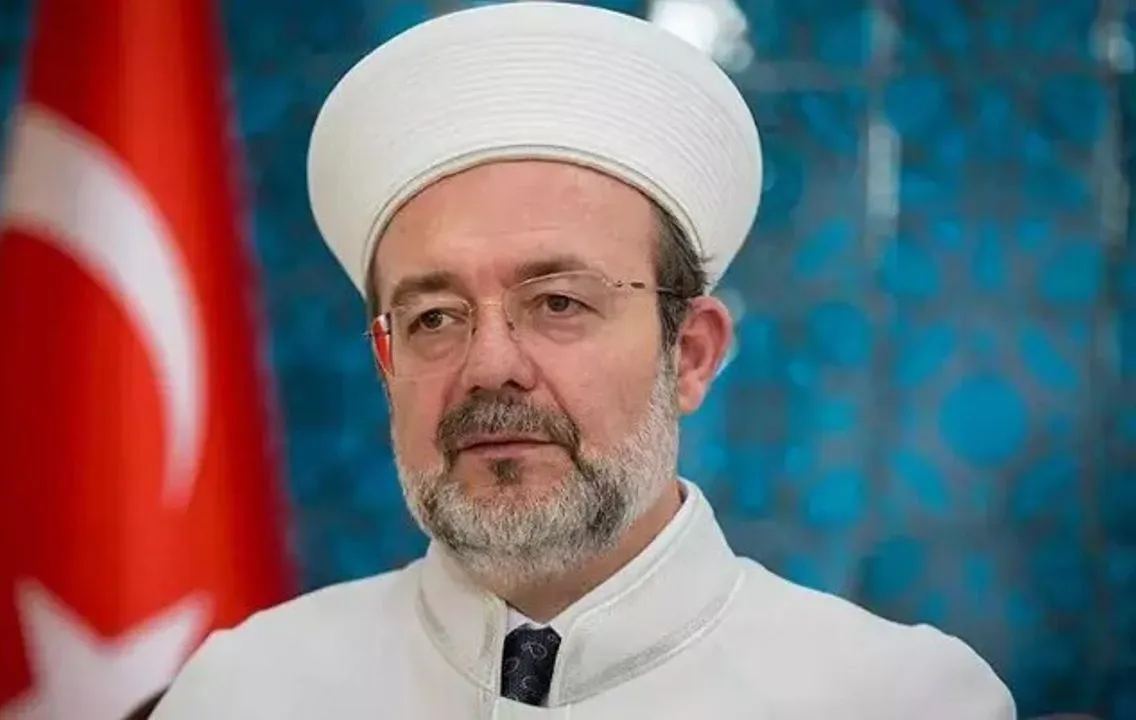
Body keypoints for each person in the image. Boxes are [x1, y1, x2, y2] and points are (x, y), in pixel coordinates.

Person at [152, 2, 1016, 718]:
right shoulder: (247, 691)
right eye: (434, 317)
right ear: (386, 363)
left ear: (691, 355)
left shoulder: (901, 698)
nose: (490, 366)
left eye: (559, 303)